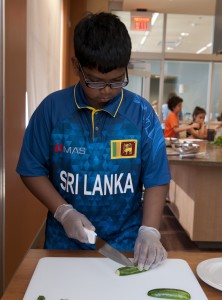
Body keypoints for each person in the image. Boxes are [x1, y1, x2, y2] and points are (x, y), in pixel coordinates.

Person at [16, 12, 171, 271]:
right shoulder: (52, 110)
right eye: (96, 81)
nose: (107, 91)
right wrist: (63, 212)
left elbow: (156, 177)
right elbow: (31, 170)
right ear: (76, 66)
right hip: (63, 244)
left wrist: (150, 230)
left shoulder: (142, 114)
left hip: (127, 244)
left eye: (116, 81)